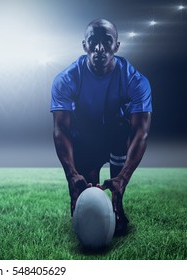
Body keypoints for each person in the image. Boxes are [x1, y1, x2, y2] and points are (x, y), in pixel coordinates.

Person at [51, 18, 152, 235]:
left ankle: (118, 200)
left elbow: (140, 132)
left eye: (106, 41)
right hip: (85, 139)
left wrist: (123, 178)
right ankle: (87, 184)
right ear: (84, 45)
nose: (99, 48)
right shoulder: (66, 79)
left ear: (116, 45)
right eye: (93, 41)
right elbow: (61, 130)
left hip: (116, 138)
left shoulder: (135, 81)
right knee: (88, 195)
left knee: (123, 127)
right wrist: (71, 174)